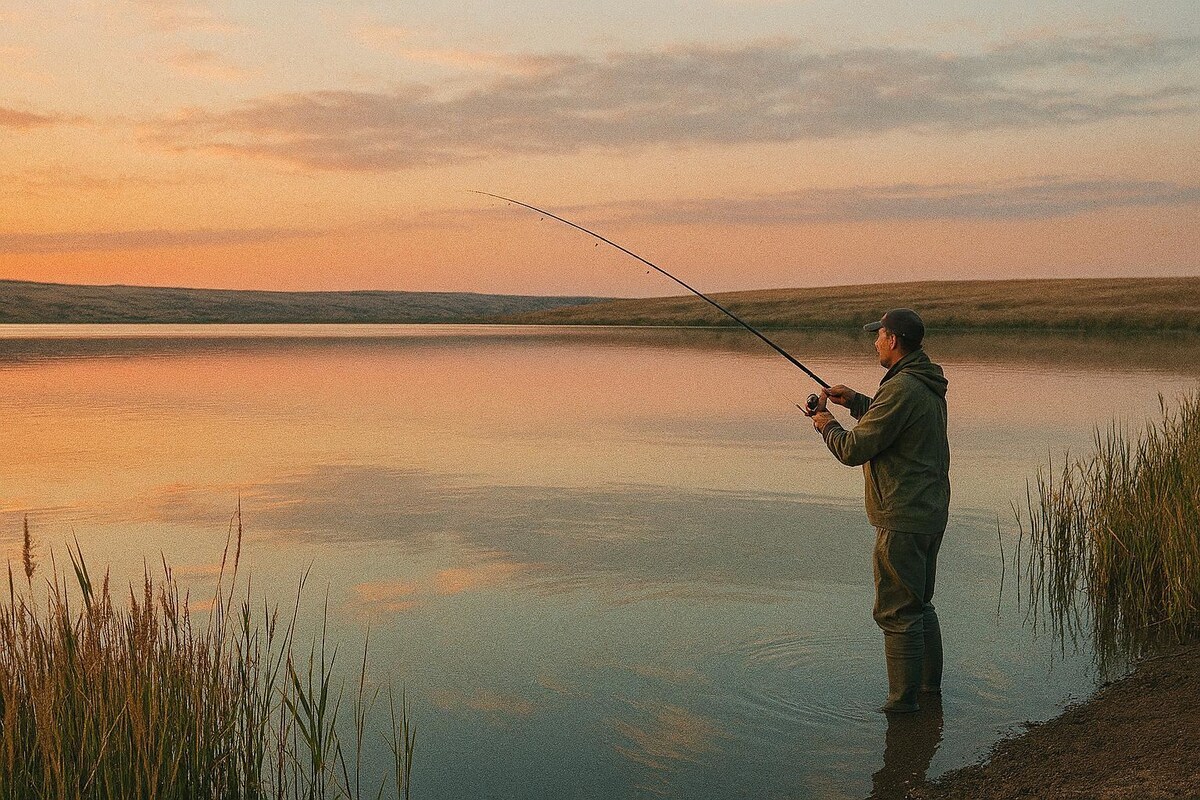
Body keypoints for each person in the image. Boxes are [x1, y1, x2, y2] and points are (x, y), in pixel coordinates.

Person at [803, 308, 950, 713]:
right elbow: (894, 420)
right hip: (929, 509)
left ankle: (901, 705)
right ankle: (927, 694)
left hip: (903, 513)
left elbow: (854, 450)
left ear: (894, 341)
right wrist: (857, 402)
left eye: (879, 335)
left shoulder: (902, 388)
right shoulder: (923, 380)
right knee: (919, 604)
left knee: (897, 610)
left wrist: (826, 424)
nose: (874, 341)